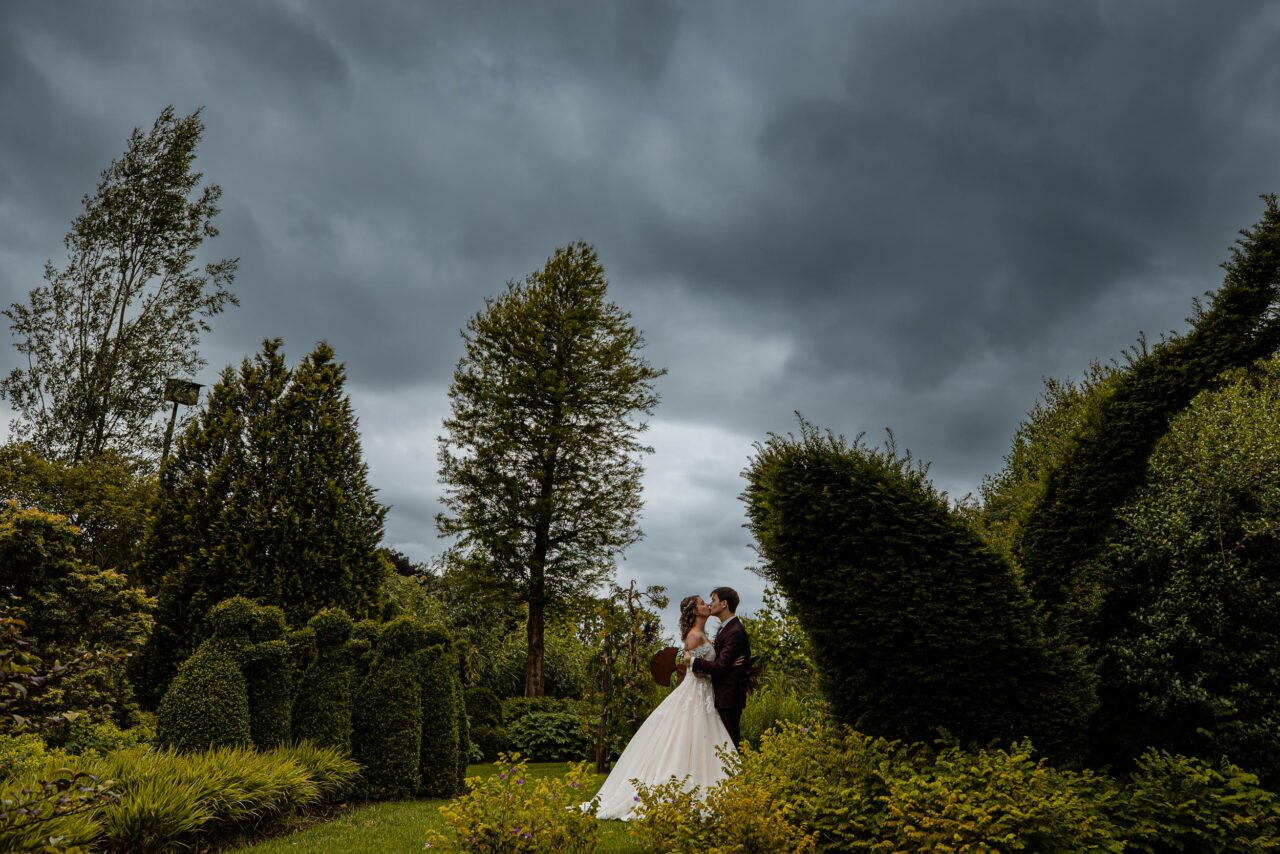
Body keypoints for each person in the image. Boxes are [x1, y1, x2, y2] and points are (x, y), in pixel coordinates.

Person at [593, 594, 734, 820]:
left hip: (703, 694)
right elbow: (696, 671)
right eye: (702, 603)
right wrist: (720, 670)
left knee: (701, 738)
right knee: (688, 737)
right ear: (695, 611)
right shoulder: (695, 636)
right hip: (696, 692)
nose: (707, 605)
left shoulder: (703, 635)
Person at [690, 586, 751, 749]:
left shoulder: (735, 631)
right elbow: (723, 662)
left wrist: (694, 662)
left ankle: (735, 774)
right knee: (723, 742)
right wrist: (728, 664)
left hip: (729, 697)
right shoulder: (726, 628)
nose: (711, 604)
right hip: (722, 694)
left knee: (729, 742)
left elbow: (720, 666)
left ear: (724, 604)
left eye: (714, 600)